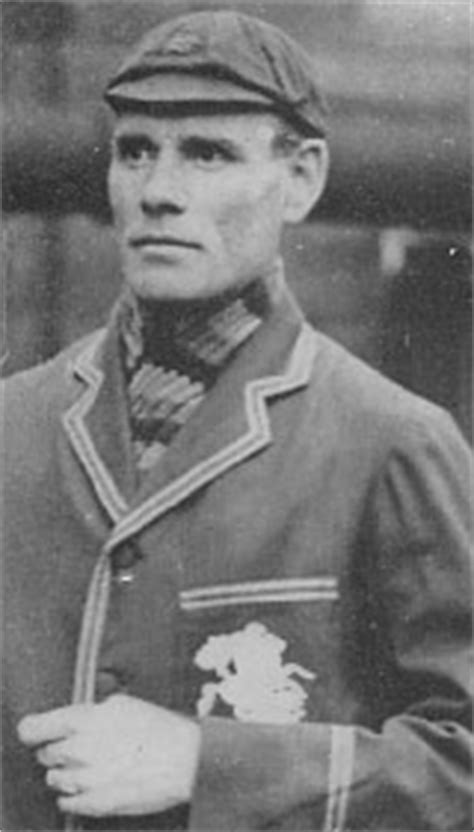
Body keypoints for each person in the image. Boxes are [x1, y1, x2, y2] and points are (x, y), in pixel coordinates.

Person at [2, 10, 472, 832]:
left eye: (208, 153)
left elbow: (461, 761)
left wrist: (205, 762)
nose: (158, 191)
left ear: (302, 179)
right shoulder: (14, 426)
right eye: (134, 151)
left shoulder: (391, 440)